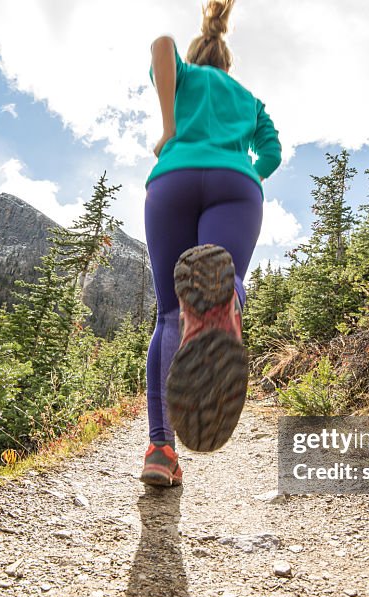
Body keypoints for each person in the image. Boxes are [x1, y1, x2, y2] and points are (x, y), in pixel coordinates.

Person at [141, 0, 282, 487]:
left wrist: (169, 129)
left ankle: (161, 450)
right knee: (228, 277)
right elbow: (272, 152)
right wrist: (248, 174)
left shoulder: (185, 78)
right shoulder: (247, 99)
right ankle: (225, 308)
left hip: (173, 181)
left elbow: (161, 45)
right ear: (226, 60)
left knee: (166, 315)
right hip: (234, 186)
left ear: (199, 55)